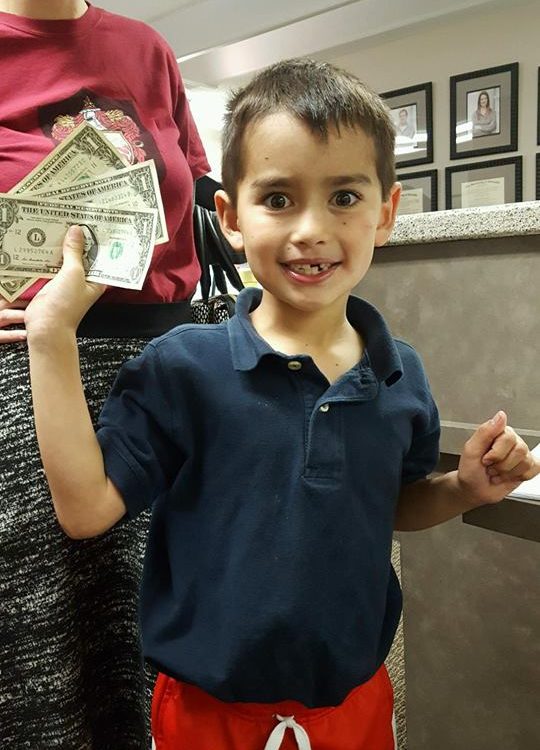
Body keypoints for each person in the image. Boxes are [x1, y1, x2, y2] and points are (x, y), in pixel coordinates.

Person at [25, 58, 539, 750]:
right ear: (231, 218)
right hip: (208, 716)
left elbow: (393, 503)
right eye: (278, 199)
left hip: (354, 707)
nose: (310, 229)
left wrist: (462, 489)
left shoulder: (400, 372)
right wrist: (50, 337)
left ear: (386, 211)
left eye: (345, 198)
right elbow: (86, 510)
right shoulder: (181, 369)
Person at [0, 1, 209, 747]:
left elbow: (203, 207)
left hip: (169, 372)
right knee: (44, 652)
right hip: (24, 386)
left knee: (170, 633)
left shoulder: (145, 48)